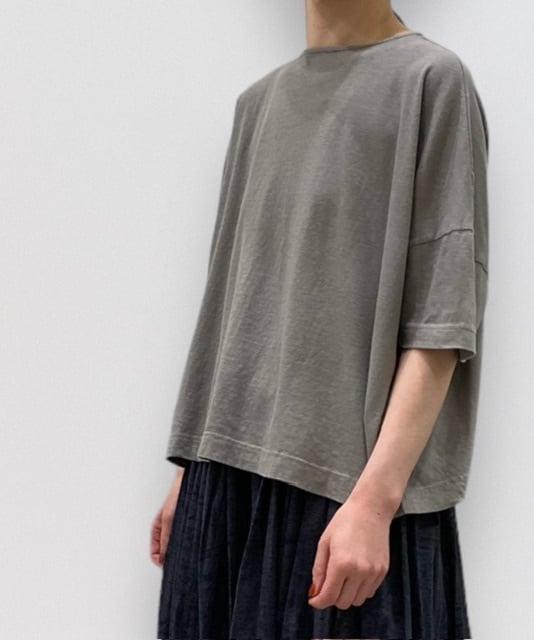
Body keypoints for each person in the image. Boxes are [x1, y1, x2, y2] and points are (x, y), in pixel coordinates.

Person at [150, 1, 489, 638]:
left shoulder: (430, 80)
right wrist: (190, 470)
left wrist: (375, 503)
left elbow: (442, 321)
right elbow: (232, 306)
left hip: (345, 494)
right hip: (221, 488)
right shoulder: (256, 105)